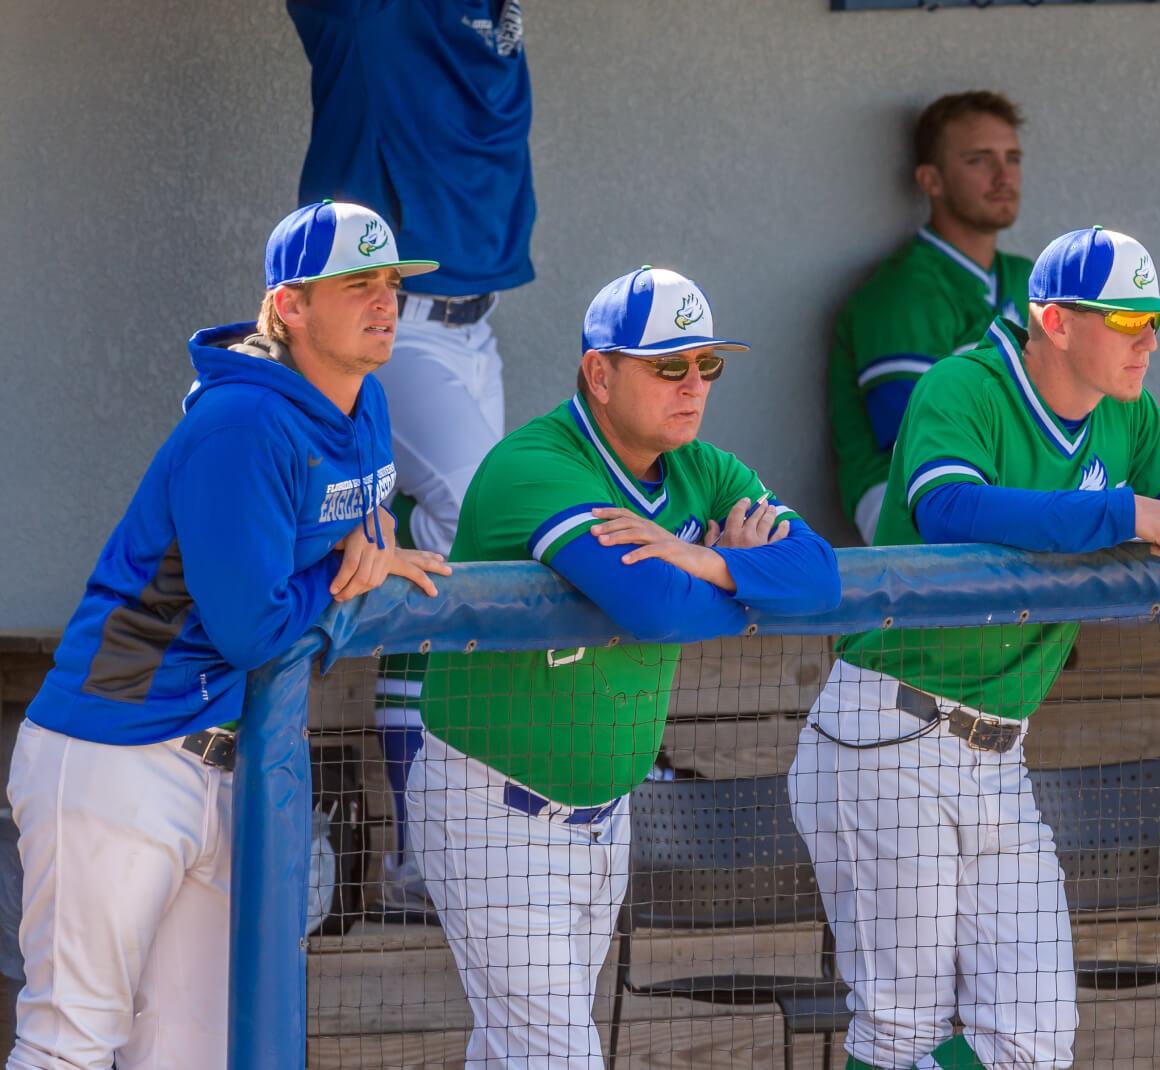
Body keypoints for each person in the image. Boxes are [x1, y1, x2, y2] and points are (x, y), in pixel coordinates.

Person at [791, 227, 1160, 1069]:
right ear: (1054, 321)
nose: (1148, 339)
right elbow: (950, 510)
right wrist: (1122, 513)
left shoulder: (1128, 410)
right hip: (890, 731)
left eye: (1154, 321)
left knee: (1033, 1039)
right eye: (1126, 321)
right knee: (900, 1028)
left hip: (998, 752)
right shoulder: (963, 385)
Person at [7, 200, 450, 1069]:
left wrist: (375, 549)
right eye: (358, 284)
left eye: (393, 282)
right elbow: (251, 628)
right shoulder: (240, 423)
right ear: (289, 306)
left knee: (195, 1050)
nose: (385, 301)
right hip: (118, 751)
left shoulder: (366, 405)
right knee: (73, 1039)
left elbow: (364, 537)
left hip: (226, 762)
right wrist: (346, 576)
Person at [411, 266, 841, 1067]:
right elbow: (655, 610)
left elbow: (819, 578)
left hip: (605, 819)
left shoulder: (702, 471)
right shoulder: (537, 465)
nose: (693, 385)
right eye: (668, 367)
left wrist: (702, 563)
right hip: (493, 815)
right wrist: (733, 578)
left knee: (516, 1054)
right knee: (558, 1058)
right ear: (599, 374)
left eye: (706, 365)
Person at [286, 0, 537, 912]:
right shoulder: (374, 14)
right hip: (393, 322)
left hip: (477, 325)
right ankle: (421, 852)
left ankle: (430, 846)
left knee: (449, 557)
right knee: (479, 517)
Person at [827, 90, 1031, 543]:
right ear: (931, 180)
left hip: (1016, 482)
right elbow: (918, 434)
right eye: (979, 160)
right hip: (910, 497)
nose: (1004, 175)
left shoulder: (1029, 279)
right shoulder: (900, 292)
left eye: (1012, 157)